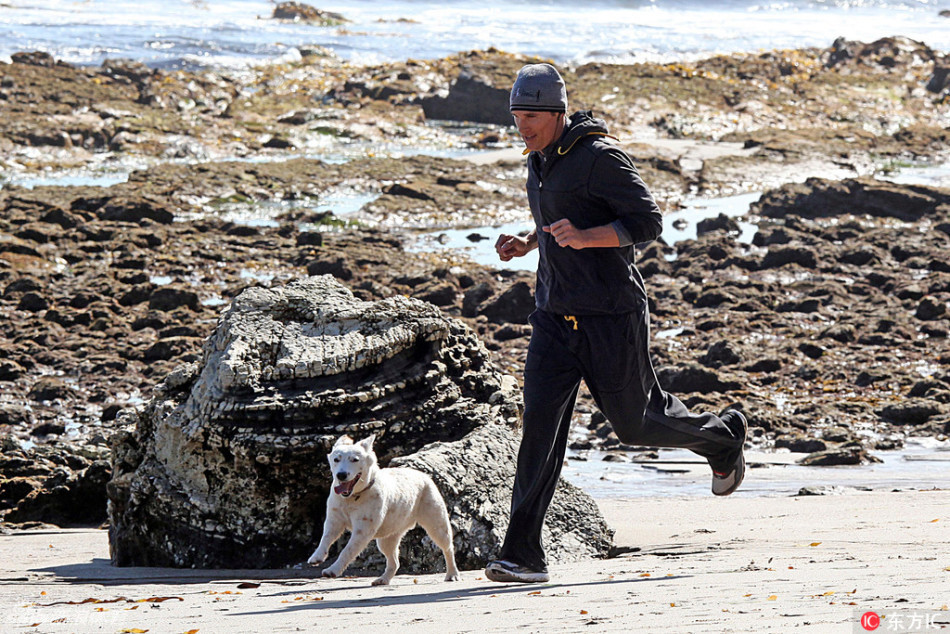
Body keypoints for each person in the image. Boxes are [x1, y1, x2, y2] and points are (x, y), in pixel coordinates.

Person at [485, 63, 747, 584]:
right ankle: (522, 555)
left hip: (610, 317)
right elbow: (561, 216)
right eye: (517, 116)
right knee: (538, 427)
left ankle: (722, 438)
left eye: (532, 116)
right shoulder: (538, 159)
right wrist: (530, 242)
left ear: (558, 112)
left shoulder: (600, 158)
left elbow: (647, 222)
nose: (523, 127)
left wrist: (587, 238)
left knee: (635, 424)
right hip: (554, 316)